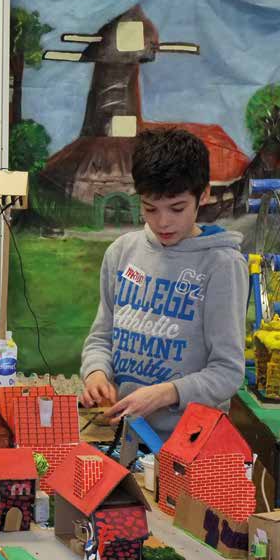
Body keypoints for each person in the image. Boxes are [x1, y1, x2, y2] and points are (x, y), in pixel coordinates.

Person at [81, 128, 248, 439]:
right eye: (149, 209)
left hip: (189, 442)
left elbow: (227, 372)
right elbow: (101, 337)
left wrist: (167, 393)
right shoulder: (121, 253)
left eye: (177, 208)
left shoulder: (222, 266)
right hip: (126, 435)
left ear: (204, 195)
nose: (163, 222)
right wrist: (96, 372)